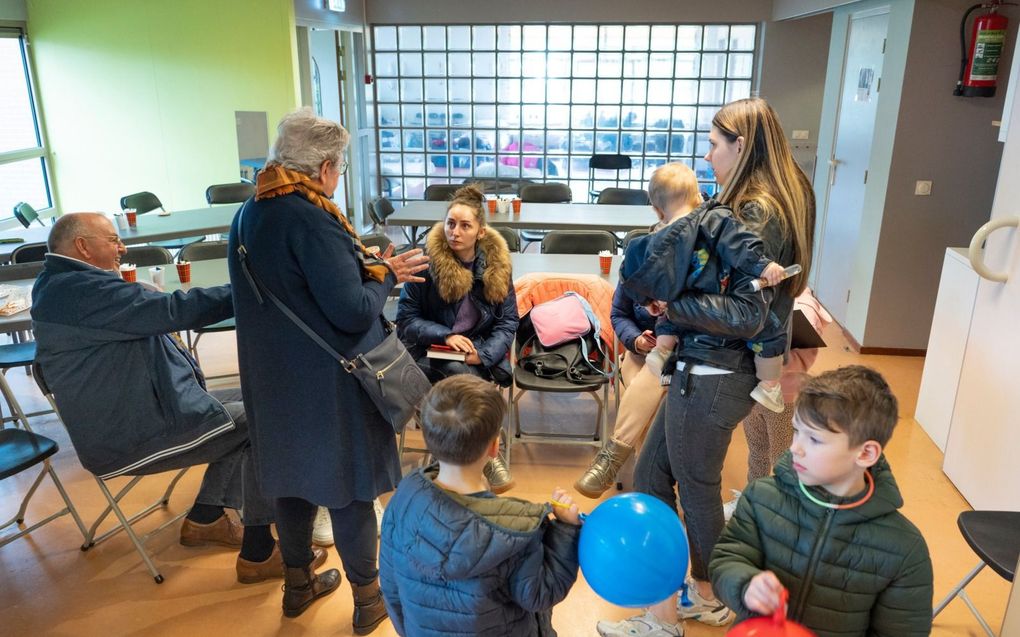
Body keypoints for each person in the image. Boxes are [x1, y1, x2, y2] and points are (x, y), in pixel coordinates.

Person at [597, 97, 815, 636]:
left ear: (741, 146)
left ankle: (707, 598)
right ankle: (679, 598)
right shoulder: (760, 199)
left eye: (714, 145)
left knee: (695, 486)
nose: (707, 155)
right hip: (708, 366)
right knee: (652, 475)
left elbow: (745, 313)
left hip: (716, 371)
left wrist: (671, 307)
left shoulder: (756, 210)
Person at [30, 212, 313, 585]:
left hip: (150, 408)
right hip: (134, 435)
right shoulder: (81, 292)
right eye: (113, 240)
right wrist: (258, 287)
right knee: (268, 422)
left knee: (261, 395)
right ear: (82, 246)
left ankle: (206, 517)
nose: (122, 247)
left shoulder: (59, 283)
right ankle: (259, 555)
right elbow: (177, 310)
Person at [227, 108, 428, 629]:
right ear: (322, 167)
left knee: (291, 484)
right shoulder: (312, 219)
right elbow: (354, 311)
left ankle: (298, 586)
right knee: (349, 490)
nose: (338, 177)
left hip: (273, 380)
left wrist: (371, 268)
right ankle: (367, 600)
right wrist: (384, 276)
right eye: (338, 167)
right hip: (329, 381)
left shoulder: (249, 212)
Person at [711, 366, 934, 636]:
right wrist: (745, 585)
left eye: (815, 439)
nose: (795, 448)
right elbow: (726, 559)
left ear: (866, 453)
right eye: (796, 431)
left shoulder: (904, 549)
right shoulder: (761, 498)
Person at [379, 374, 582, 636]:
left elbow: (390, 582)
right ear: (495, 446)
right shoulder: (514, 531)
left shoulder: (404, 496)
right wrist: (566, 531)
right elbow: (540, 594)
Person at [575, 163, 701, 498]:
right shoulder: (638, 259)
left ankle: (613, 459)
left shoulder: (694, 259)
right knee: (648, 392)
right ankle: (652, 480)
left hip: (681, 354)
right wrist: (635, 339)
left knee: (651, 387)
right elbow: (618, 313)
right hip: (640, 351)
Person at [396, 184, 519, 492]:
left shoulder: (496, 266)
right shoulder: (427, 262)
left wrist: (486, 354)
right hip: (430, 352)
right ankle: (485, 454)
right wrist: (447, 335)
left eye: (465, 225)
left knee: (458, 381)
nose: (455, 231)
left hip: (478, 355)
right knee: (454, 376)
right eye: (451, 223)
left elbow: (508, 321)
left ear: (480, 232)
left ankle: (454, 454)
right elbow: (406, 321)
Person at [724, 287, 833, 518]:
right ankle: (754, 502)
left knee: (783, 457)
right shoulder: (766, 296)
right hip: (754, 392)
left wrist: (766, 362)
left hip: (783, 399)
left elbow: (804, 358)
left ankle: (789, 511)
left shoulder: (804, 309)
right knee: (757, 451)